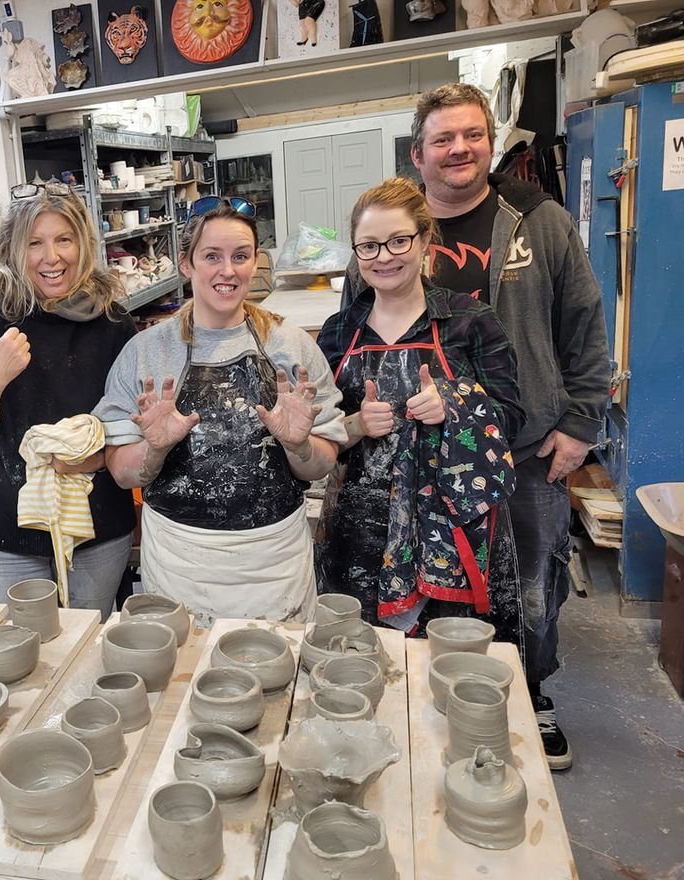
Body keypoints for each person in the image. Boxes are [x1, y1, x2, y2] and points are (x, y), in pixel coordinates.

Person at [340, 84, 610, 769]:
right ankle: (434, 703)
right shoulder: (382, 231)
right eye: (442, 138)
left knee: (528, 588)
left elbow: (583, 321)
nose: (459, 149)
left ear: (490, 143)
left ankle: (526, 697)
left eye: (472, 135)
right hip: (404, 467)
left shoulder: (536, 219)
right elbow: (348, 355)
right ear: (418, 153)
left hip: (522, 448)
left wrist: (581, 421)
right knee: (417, 593)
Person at [95, 198, 346, 624]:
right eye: (212, 256)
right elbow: (122, 473)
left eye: (240, 257)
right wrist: (154, 450)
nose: (227, 271)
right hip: (182, 560)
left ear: (255, 263)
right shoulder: (145, 353)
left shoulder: (292, 347)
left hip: (274, 558)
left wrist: (299, 445)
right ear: (186, 264)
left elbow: (317, 468)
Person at [318, 178, 525, 649]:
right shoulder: (338, 331)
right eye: (368, 246)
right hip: (362, 525)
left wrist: (454, 406)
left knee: (454, 659)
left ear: (426, 240)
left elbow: (512, 417)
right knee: (362, 657)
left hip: (454, 526)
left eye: (398, 241)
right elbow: (319, 430)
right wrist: (354, 426)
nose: (384, 257)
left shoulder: (471, 321)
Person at [0, 183, 135, 615]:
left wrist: (95, 459)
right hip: (5, 533)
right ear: (10, 249)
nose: (52, 257)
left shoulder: (112, 320)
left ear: (84, 242)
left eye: (64, 239)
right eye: (34, 243)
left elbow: (132, 425)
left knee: (90, 650)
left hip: (96, 527)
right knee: (18, 654)